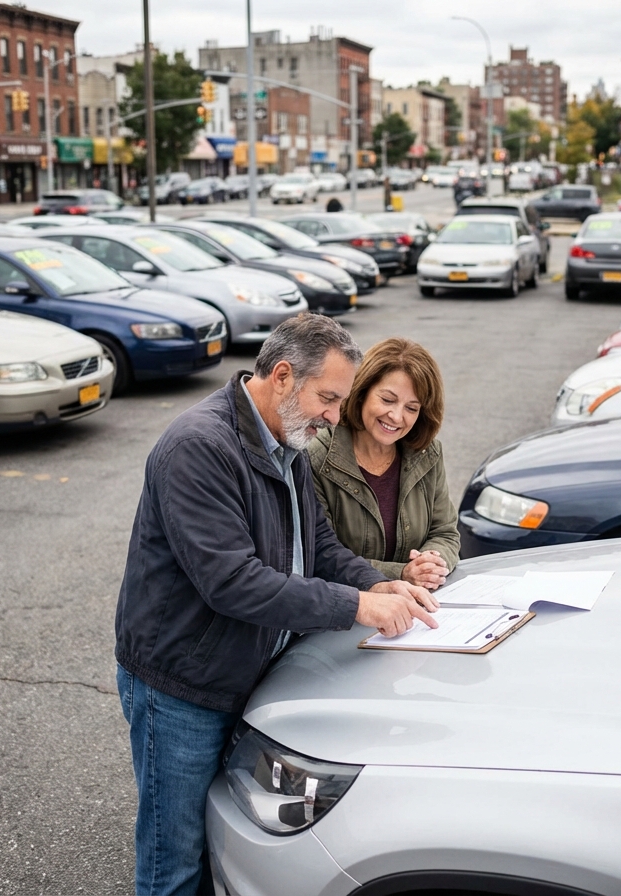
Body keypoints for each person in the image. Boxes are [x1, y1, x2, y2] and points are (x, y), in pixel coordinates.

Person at [114, 314, 438, 896]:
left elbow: (318, 545)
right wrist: (356, 605)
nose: (336, 417)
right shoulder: (199, 447)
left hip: (245, 673)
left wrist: (376, 583)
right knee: (175, 859)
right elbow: (232, 582)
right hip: (182, 688)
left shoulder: (287, 439)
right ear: (284, 376)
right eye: (330, 399)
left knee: (226, 841)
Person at [308, 338, 459, 590]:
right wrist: (401, 574)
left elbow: (445, 532)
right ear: (361, 391)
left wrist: (431, 562)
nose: (397, 416)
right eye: (388, 400)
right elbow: (322, 558)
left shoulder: (427, 453)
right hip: (351, 613)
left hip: (420, 609)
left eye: (411, 408)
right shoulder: (317, 457)